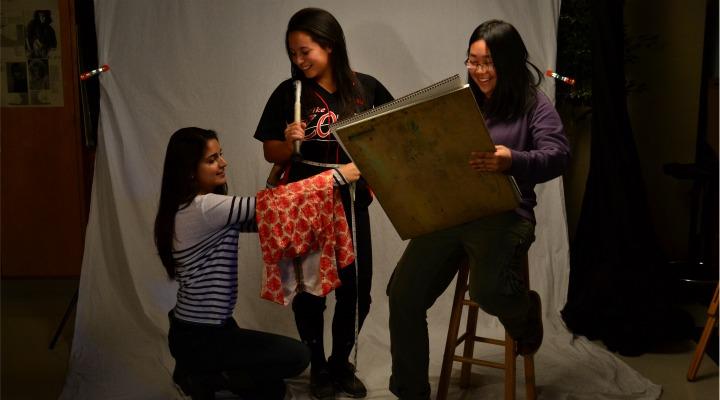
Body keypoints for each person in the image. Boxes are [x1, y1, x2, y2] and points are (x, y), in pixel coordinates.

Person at [387, 20, 571, 399]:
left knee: (488, 290)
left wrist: (513, 160)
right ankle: (411, 393)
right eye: (473, 62)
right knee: (403, 293)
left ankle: (525, 316)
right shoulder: (461, 100)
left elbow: (559, 156)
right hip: (454, 211)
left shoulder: (533, 103)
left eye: (488, 63)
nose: (480, 71)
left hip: (506, 212)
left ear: (510, 62)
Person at [154, 127, 361, 400]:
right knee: (298, 357)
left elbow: (265, 221)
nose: (223, 163)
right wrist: (335, 177)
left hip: (207, 329)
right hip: (199, 336)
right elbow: (271, 208)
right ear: (189, 171)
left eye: (221, 155)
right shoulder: (205, 208)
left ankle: (201, 370)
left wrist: (273, 184)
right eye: (212, 159)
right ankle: (198, 374)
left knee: (273, 389)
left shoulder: (202, 208)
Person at [254, 7, 393, 400]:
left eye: (305, 51)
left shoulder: (364, 89)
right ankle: (317, 365)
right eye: (293, 54)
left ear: (329, 46)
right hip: (305, 202)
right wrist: (289, 139)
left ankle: (339, 363)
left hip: (351, 200)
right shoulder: (290, 93)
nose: (298, 61)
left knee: (356, 289)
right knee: (311, 289)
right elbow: (271, 152)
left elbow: (394, 134)